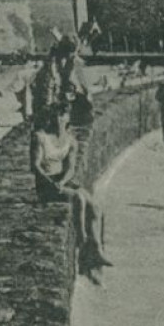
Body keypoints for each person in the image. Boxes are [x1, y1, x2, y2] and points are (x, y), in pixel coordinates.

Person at [31, 109, 110, 282]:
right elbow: (35, 166)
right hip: (46, 185)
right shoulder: (40, 137)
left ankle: (96, 249)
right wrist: (51, 182)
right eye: (55, 116)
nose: (58, 119)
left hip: (62, 181)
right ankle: (83, 246)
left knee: (95, 206)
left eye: (62, 116)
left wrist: (63, 181)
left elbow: (71, 168)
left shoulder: (71, 141)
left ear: (67, 119)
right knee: (78, 198)